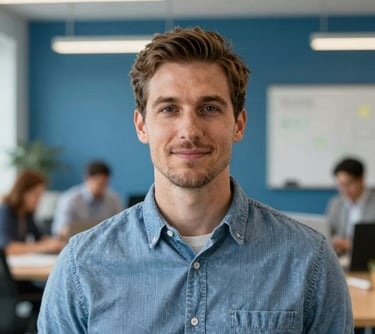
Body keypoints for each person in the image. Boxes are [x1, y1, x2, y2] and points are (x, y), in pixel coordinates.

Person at [38, 27, 353, 333]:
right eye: (169, 108)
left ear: (239, 124)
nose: (189, 130)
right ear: (141, 126)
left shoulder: (308, 260)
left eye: (210, 107)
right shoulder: (82, 265)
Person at [51, 160, 123, 239]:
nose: (102, 187)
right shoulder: (70, 199)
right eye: (99, 183)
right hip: (75, 243)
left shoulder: (113, 199)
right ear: (87, 178)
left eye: (105, 183)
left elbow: (121, 226)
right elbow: (59, 230)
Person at [0, 170, 64, 255]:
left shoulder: (27, 214)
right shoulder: (5, 211)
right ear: (22, 192)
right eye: (36, 195)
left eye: (40, 195)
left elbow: (40, 237)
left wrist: (55, 242)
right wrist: (44, 246)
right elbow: (8, 247)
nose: (39, 200)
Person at [326, 157, 375, 256]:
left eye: (348, 184)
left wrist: (351, 245)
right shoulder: (336, 203)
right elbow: (328, 232)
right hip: (340, 259)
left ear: (361, 180)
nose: (344, 190)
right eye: (341, 185)